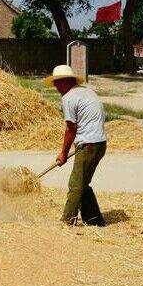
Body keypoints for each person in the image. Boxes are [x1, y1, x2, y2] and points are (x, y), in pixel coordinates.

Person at [45, 65, 107, 226]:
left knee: (75, 184)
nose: (56, 87)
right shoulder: (87, 92)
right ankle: (94, 220)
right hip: (100, 143)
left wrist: (63, 153)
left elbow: (71, 129)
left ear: (66, 81)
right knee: (82, 183)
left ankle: (67, 221)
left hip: (89, 144)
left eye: (58, 83)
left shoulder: (69, 98)